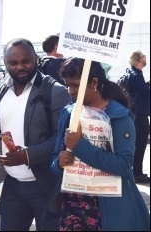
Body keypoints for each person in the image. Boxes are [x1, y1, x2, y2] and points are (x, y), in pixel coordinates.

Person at [0, 38, 71, 231]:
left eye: (26, 61)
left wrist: (28, 155)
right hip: (12, 186)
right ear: (5, 63)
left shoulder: (56, 91)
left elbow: (61, 140)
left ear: (36, 59)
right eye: (13, 63)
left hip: (47, 185)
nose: (20, 67)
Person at [42, 57, 150, 231]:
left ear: (93, 82)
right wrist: (59, 163)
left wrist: (80, 145)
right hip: (73, 207)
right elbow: (56, 161)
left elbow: (123, 165)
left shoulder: (119, 116)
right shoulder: (69, 112)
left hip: (108, 208)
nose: (70, 91)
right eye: (67, 85)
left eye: (76, 85)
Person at [128, 50, 150, 183]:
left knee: (138, 144)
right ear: (138, 60)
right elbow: (146, 93)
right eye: (143, 57)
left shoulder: (135, 75)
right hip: (139, 115)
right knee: (140, 144)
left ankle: (136, 172)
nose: (145, 58)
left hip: (137, 114)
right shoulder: (136, 75)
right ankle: (137, 173)